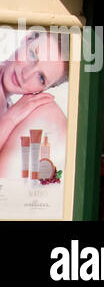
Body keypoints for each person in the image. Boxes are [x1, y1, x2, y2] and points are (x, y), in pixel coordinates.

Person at [0, 30, 69, 181]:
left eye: (41, 78)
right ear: (27, 39)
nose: (26, 74)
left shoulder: (9, 105)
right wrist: (11, 119)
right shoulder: (13, 113)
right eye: (32, 55)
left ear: (45, 89)